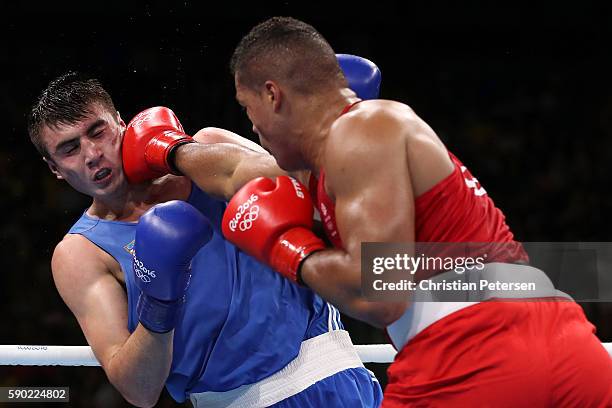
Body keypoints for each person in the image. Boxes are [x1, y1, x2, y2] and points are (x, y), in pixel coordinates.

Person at [222, 16, 612, 406]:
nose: (253, 126)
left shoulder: (360, 130)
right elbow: (226, 169)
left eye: (246, 107)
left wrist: (284, 247)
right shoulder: (352, 155)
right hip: (562, 341)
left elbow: (380, 295)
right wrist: (168, 150)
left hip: (467, 357)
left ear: (273, 95)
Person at [27, 71, 383, 407]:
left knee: (414, 266)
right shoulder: (81, 254)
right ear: (55, 168)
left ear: (122, 123)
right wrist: (159, 302)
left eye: (98, 132)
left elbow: (311, 187)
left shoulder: (205, 150)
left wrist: (177, 153)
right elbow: (139, 390)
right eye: (70, 148)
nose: (92, 154)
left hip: (331, 378)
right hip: (228, 399)